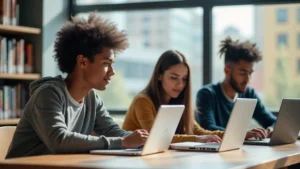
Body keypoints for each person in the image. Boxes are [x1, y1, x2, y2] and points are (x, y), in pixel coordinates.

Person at [6, 13, 148, 159]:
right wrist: (124, 142)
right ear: (83, 62)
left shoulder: (92, 99)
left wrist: (144, 141)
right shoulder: (48, 94)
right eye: (106, 64)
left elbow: (112, 131)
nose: (112, 72)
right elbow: (59, 140)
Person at [122, 50, 265, 143]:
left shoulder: (177, 101)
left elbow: (202, 132)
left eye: (184, 79)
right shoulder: (143, 100)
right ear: (159, 75)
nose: (180, 84)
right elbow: (157, 138)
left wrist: (242, 134)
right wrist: (197, 139)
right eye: (174, 77)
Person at [196, 37, 276, 137]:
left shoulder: (249, 94)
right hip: (213, 151)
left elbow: (273, 121)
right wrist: (244, 134)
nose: (248, 79)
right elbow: (207, 128)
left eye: (250, 73)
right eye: (243, 72)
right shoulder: (207, 94)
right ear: (227, 71)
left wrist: (270, 129)